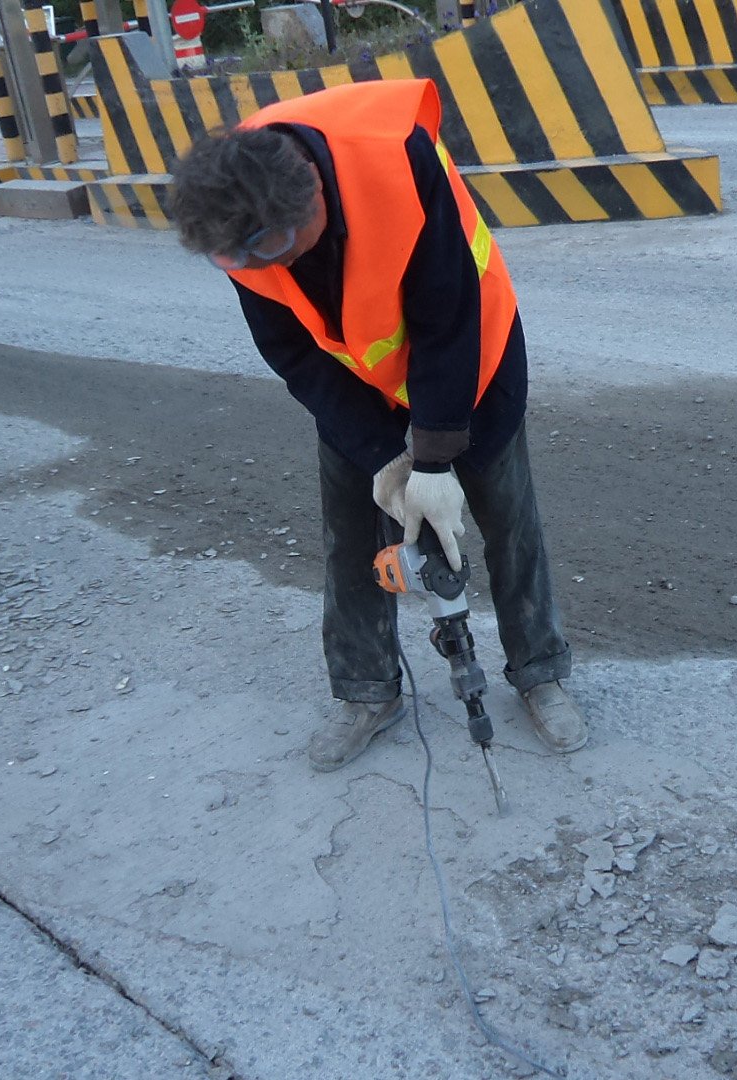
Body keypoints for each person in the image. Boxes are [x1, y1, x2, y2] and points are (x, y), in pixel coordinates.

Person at [164, 78, 589, 772]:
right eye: (245, 260)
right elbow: (294, 352)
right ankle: (368, 691)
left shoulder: (396, 160)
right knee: (353, 538)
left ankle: (540, 672)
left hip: (471, 357)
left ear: (309, 191)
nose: (264, 267)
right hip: (356, 382)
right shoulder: (235, 220)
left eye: (273, 246)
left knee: (507, 519)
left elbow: (445, 321)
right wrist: (382, 456)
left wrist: (435, 457)